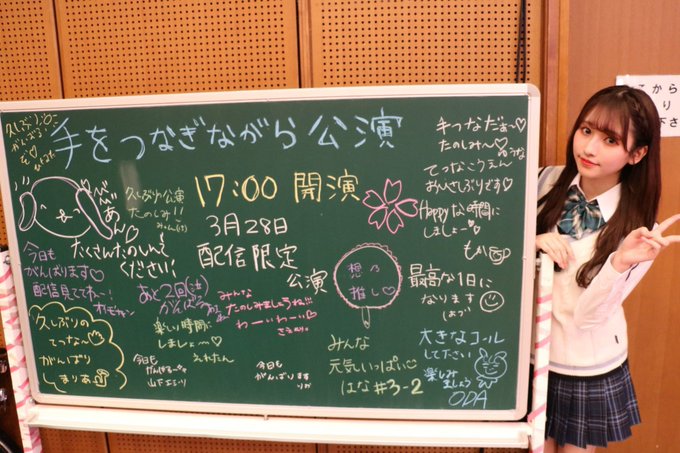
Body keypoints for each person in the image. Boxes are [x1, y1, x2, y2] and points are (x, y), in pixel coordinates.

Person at [535, 85, 680, 453]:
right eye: (586, 131)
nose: (589, 148)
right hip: (535, 354)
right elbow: (492, 250)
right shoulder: (542, 182)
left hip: (587, 363)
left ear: (637, 154)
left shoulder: (639, 230)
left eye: (610, 140)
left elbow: (588, 318)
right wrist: (532, 242)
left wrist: (618, 264)